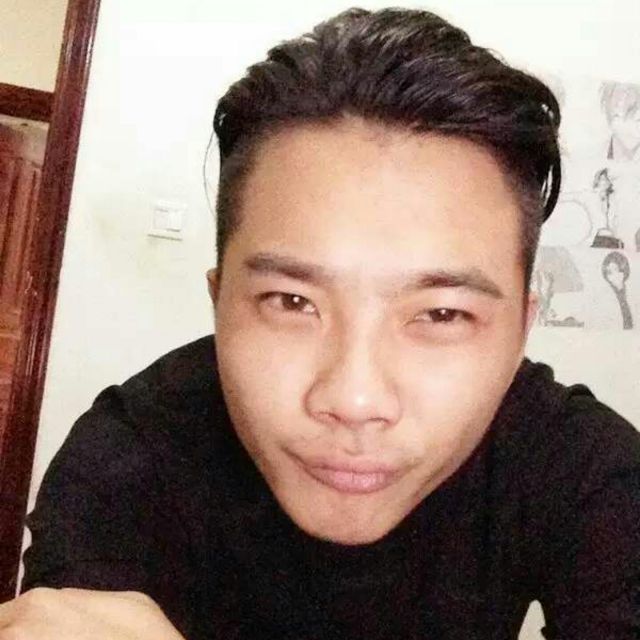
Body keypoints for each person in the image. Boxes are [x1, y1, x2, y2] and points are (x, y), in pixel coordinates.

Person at [1, 7, 639, 640]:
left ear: (521, 330)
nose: (354, 401)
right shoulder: (129, 456)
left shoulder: (587, 470)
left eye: (442, 314)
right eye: (291, 302)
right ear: (219, 300)